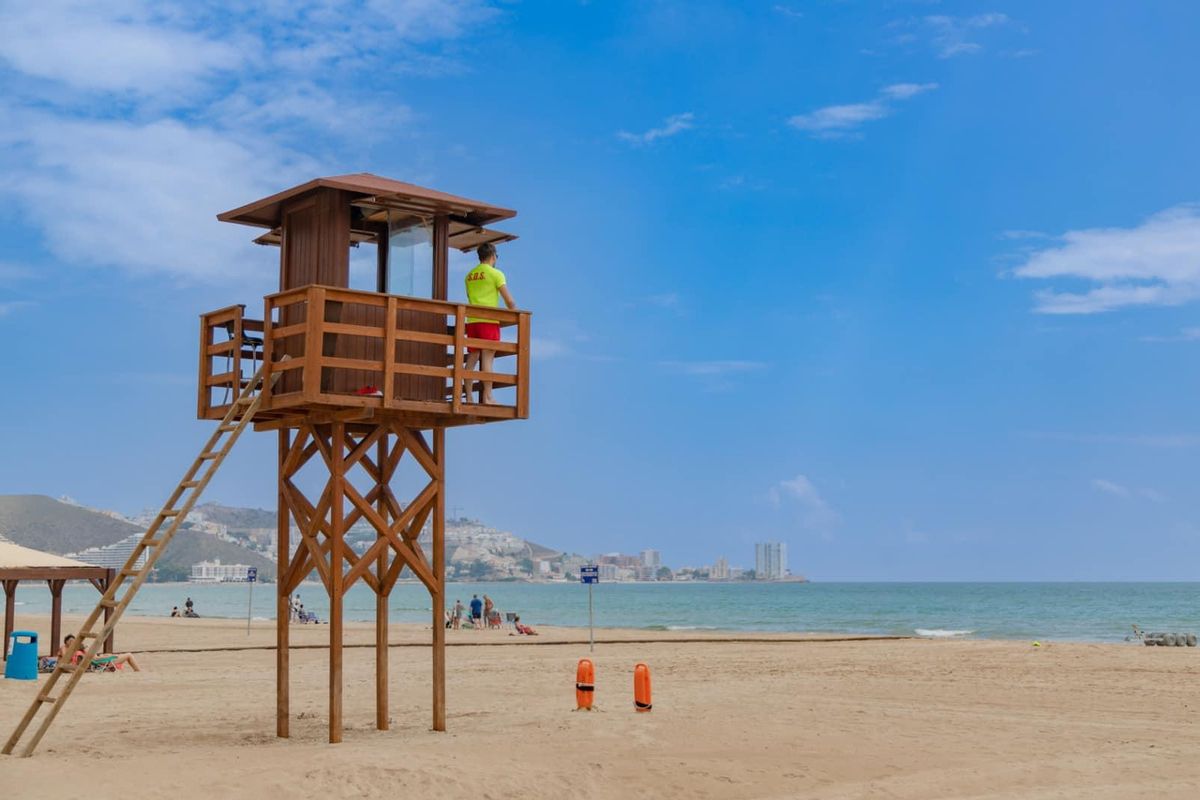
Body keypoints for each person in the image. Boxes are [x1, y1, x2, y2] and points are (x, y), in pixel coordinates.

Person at [463, 242, 517, 405]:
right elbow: (509, 300)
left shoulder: (469, 275)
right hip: (489, 321)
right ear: (493, 256)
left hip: (472, 321)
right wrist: (515, 312)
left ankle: (469, 397)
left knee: (472, 358)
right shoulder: (496, 274)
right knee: (487, 358)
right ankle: (488, 397)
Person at [57, 635, 142, 672]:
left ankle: (137, 671)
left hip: (101, 660)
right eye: (70, 641)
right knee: (129, 655)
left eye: (73, 641)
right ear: (66, 642)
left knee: (126, 655)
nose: (72, 642)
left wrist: (108, 655)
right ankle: (138, 671)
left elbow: (94, 656)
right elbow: (95, 658)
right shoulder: (65, 648)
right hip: (102, 662)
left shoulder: (78, 650)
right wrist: (111, 656)